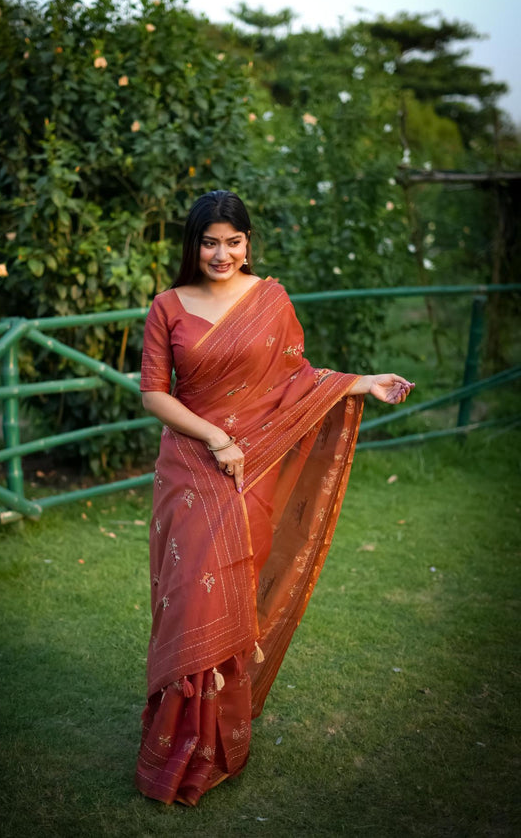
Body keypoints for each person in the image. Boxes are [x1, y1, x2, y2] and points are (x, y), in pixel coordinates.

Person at [135, 190, 414, 806]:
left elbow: (296, 378)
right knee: (188, 601)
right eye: (210, 241)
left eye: (234, 241)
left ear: (248, 242)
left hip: (251, 470)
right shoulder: (167, 306)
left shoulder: (270, 300)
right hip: (190, 464)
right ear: (193, 245)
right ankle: (176, 739)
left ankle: (215, 737)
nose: (222, 253)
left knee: (230, 592)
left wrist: (363, 383)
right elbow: (155, 394)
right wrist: (214, 436)